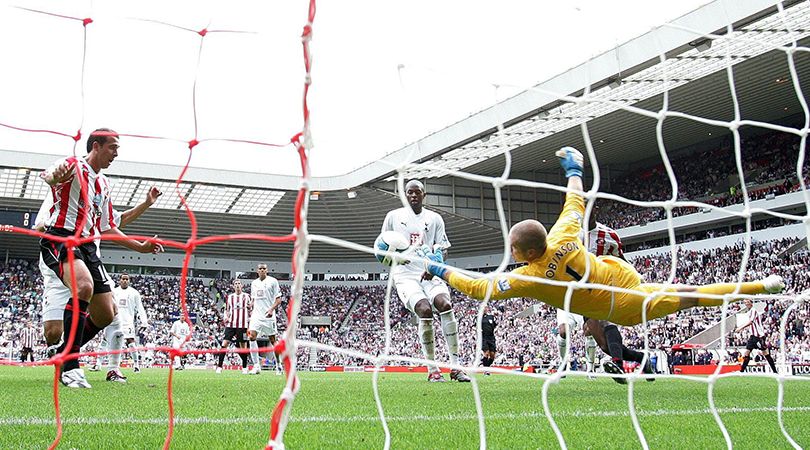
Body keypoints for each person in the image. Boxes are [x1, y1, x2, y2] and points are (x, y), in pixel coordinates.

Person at [420, 147, 785, 328]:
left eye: (513, 248)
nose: (510, 252)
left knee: (690, 297)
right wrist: (574, 169)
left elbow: (479, 289)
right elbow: (576, 199)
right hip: (621, 277)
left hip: (622, 307)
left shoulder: (528, 277)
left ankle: (760, 286)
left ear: (528, 252)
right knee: (684, 292)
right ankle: (759, 285)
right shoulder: (562, 232)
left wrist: (440, 270)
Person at [38, 128, 164, 388]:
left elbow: (107, 226)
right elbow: (50, 175)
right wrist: (52, 178)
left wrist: (139, 247)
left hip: (88, 247)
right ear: (96, 146)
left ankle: (63, 352)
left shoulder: (103, 184)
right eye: (113, 147)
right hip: (62, 237)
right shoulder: (73, 166)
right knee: (83, 286)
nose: (116, 154)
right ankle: (71, 364)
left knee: (106, 314)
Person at [381, 180, 470, 382]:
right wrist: (394, 258)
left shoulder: (435, 218)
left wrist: (434, 267)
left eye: (417, 192)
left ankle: (455, 367)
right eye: (409, 192)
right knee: (424, 309)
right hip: (405, 275)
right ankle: (433, 369)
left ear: (424, 194)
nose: (413, 195)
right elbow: (382, 247)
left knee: (445, 304)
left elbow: (443, 249)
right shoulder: (393, 217)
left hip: (429, 273)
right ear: (405, 195)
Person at [248, 264, 282, 375]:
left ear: (267, 270)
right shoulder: (254, 283)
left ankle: (278, 365)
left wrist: (271, 309)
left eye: (264, 269)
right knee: (251, 336)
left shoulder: (273, 281)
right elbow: (254, 298)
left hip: (268, 315)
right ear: (257, 271)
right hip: (256, 315)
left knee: (273, 341)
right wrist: (251, 304)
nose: (262, 270)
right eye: (260, 269)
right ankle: (256, 366)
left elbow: (278, 300)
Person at [112, 273, 148, 374]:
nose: (125, 281)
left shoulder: (134, 293)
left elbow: (140, 307)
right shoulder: (114, 292)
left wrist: (144, 321)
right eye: (123, 279)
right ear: (119, 280)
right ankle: (98, 364)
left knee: (131, 342)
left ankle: (136, 365)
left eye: (127, 279)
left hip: (128, 322)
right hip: (115, 321)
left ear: (129, 281)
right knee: (107, 341)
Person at [216, 279, 251, 374]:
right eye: (235, 284)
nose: (237, 285)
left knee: (243, 347)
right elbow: (227, 310)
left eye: (239, 283)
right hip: (231, 324)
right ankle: (219, 367)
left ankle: (244, 367)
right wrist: (226, 317)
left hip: (243, 325)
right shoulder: (230, 297)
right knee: (224, 344)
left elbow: (250, 309)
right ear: (233, 286)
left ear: (242, 285)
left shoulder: (246, 296)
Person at [736, 298, 778, 373]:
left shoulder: (753, 310)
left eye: (747, 302)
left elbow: (751, 322)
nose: (746, 304)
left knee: (766, 353)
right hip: (752, 337)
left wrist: (740, 328)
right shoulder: (749, 311)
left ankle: (775, 372)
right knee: (746, 353)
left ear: (751, 303)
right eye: (745, 302)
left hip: (759, 337)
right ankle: (741, 371)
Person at [480, 306, 497, 375]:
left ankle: (486, 366)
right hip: (484, 337)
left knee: (492, 355)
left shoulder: (491, 317)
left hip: (491, 338)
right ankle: (486, 370)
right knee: (486, 353)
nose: (485, 309)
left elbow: (495, 325)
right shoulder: (479, 318)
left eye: (486, 308)